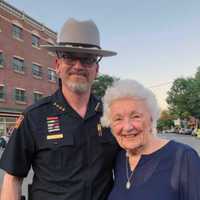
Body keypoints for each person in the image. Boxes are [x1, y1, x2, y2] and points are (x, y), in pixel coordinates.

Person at [0, 18, 119, 200]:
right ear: (57, 66)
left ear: (96, 69)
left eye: (87, 59)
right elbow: (13, 179)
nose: (78, 66)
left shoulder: (113, 115)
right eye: (69, 57)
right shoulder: (34, 117)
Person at [101, 79, 200, 200]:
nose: (127, 127)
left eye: (136, 116)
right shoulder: (120, 158)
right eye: (118, 119)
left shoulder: (184, 158)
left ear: (151, 118)